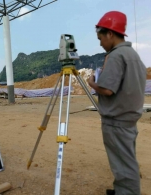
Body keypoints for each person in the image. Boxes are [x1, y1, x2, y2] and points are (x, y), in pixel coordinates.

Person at [88, 11, 147, 195]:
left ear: (110, 34)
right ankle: (122, 190)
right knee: (126, 160)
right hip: (129, 118)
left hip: (117, 121)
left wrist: (91, 83)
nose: (100, 43)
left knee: (123, 166)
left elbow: (107, 89)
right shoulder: (133, 55)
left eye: (100, 38)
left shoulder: (116, 56)